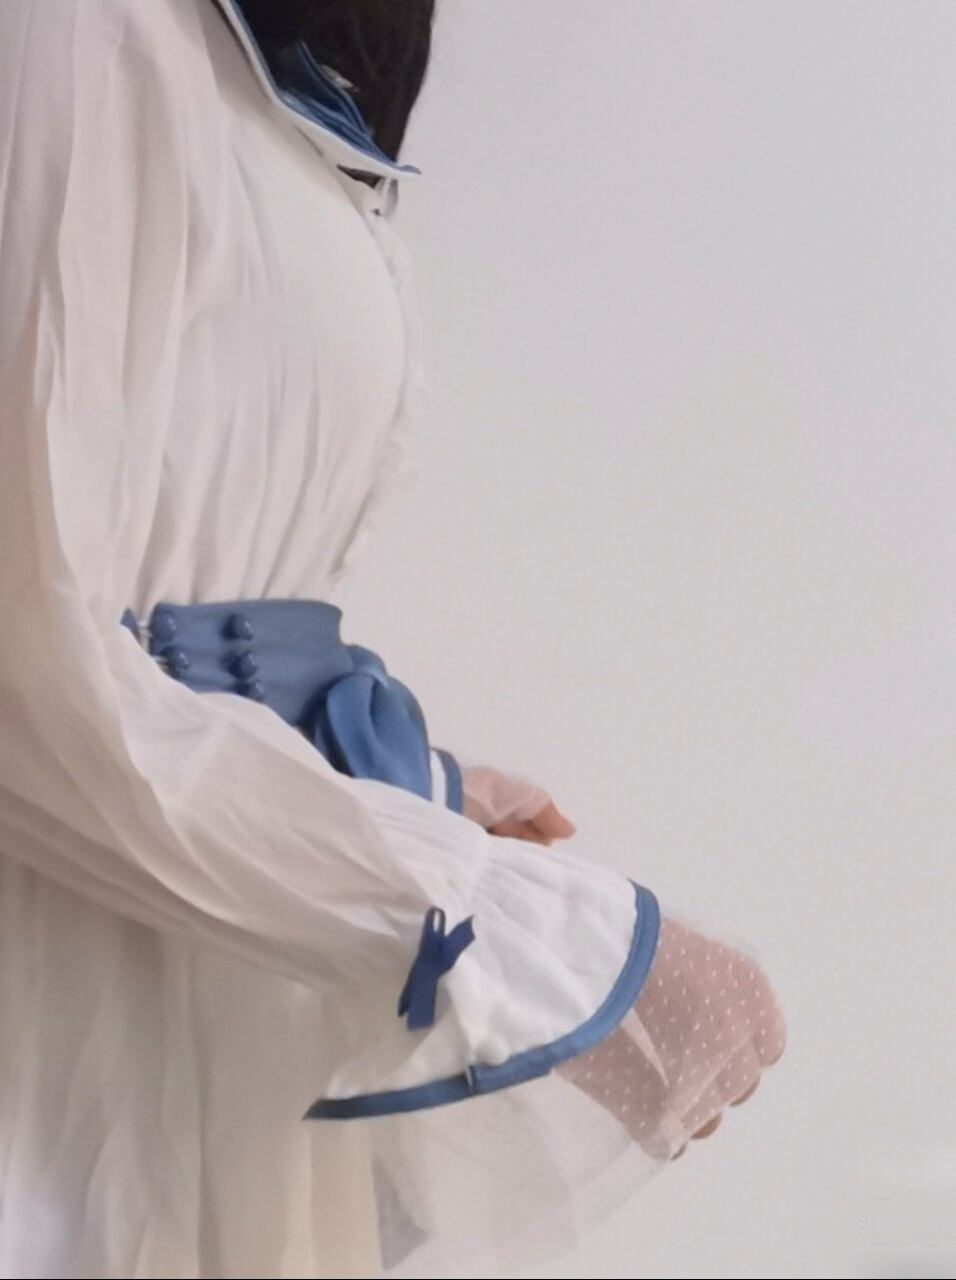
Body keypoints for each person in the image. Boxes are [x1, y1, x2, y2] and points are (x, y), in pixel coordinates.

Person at [0, 2, 785, 1277]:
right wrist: (511, 930)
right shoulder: (84, 30)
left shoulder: (251, 76)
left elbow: (168, 616)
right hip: (64, 1017)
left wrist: (407, 784)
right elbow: (27, 665)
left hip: (198, 1001)